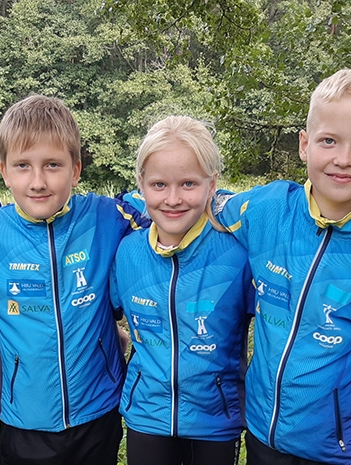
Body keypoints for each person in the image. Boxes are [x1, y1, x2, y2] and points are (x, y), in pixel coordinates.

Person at [213, 68, 351, 465]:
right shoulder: (265, 210)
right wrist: (137, 207)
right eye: (328, 140)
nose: (344, 159)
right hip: (264, 433)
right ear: (304, 144)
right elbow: (204, 204)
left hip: (347, 448)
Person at [0, 94, 149, 465]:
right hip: (24, 421)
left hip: (98, 412)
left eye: (52, 165)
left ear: (75, 170)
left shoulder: (106, 217)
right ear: (4, 170)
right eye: (23, 166)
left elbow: (172, 199)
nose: (38, 181)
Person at [110, 116, 254, 465]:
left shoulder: (237, 253)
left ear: (212, 184)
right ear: (141, 184)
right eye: (159, 184)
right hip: (147, 418)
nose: (173, 199)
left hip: (215, 422)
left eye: (188, 183)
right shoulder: (127, 253)